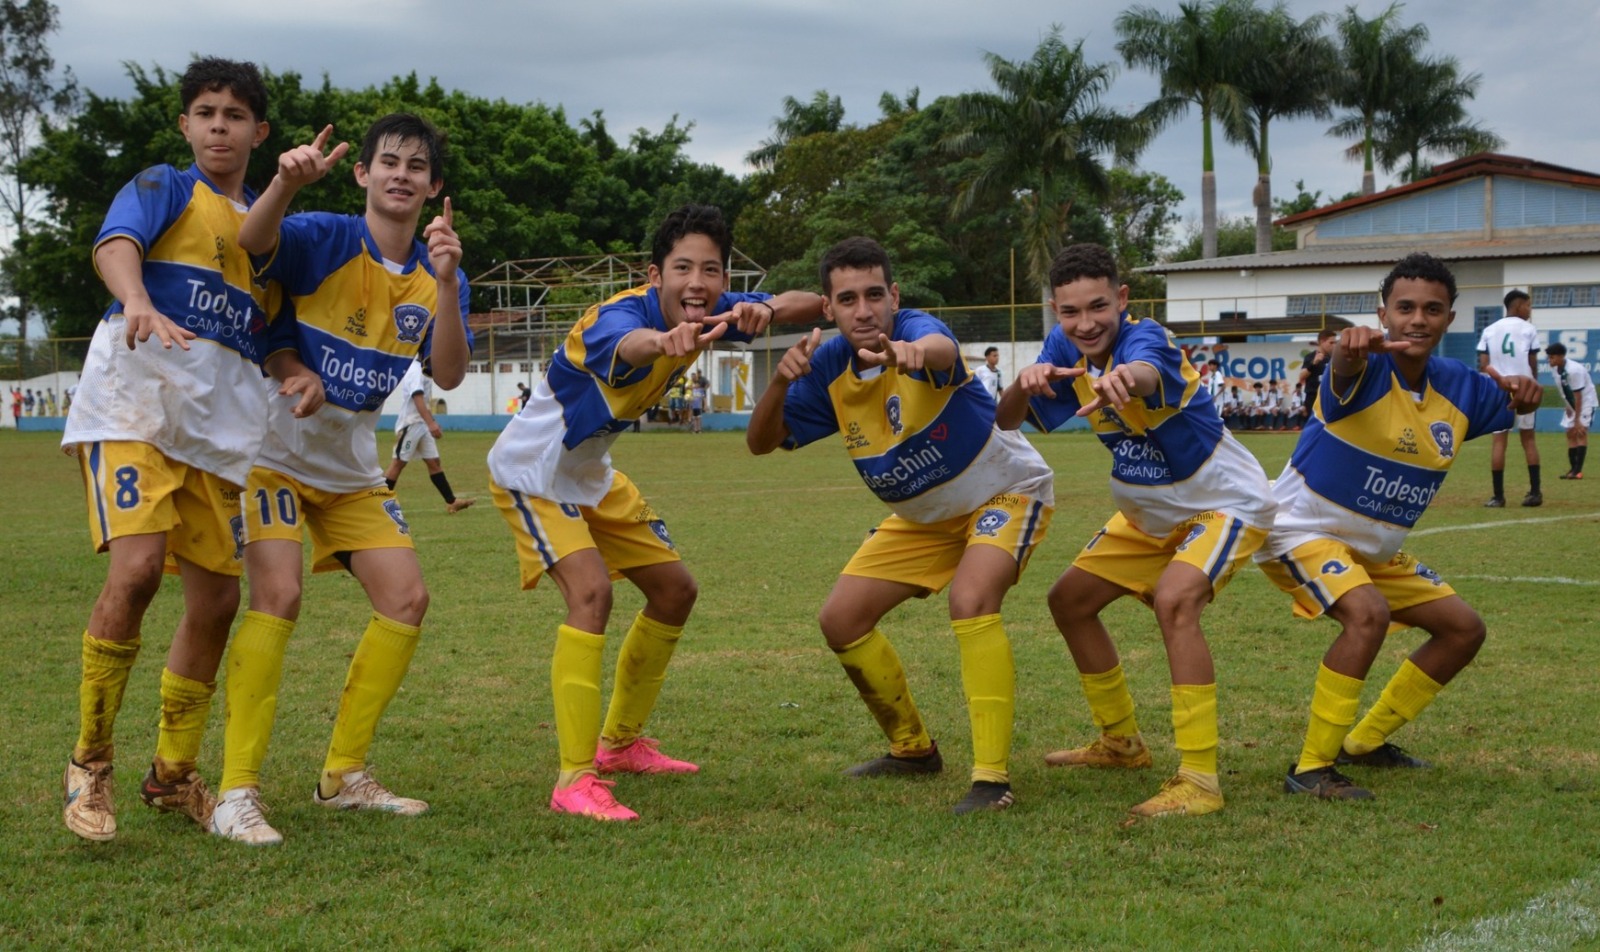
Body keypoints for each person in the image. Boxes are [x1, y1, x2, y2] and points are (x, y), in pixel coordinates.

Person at [487, 204, 822, 821]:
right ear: (654, 274)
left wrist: (767, 310)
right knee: (591, 596)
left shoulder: (713, 309)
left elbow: (813, 303)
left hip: (589, 473)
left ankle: (618, 746)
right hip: (533, 472)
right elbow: (627, 343)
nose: (698, 282)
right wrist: (662, 343)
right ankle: (573, 780)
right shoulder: (619, 317)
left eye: (713, 270)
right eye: (683, 268)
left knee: (675, 592)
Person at [57, 58, 303, 843]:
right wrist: (135, 298)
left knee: (217, 602)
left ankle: (171, 775)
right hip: (134, 411)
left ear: (259, 133)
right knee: (133, 573)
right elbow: (115, 243)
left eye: (235, 115)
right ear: (186, 125)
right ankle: (89, 762)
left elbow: (277, 336)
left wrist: (299, 375)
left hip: (216, 440)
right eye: (206, 112)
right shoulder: (166, 185)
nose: (219, 126)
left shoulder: (268, 236)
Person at [210, 113, 472, 845]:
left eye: (416, 167)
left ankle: (342, 776)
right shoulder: (325, 235)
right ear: (362, 173)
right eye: (387, 161)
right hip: (271, 454)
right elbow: (253, 242)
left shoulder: (438, 273)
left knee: (407, 597)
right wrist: (285, 184)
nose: (400, 175)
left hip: (352, 470)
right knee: (280, 593)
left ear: (433, 186)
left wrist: (449, 285)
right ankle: (235, 793)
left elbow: (448, 370)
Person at [750, 236, 1052, 815]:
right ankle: (912, 750)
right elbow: (762, 444)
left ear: (893, 295)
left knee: (970, 600)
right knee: (840, 619)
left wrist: (914, 354)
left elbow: (939, 348)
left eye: (873, 295)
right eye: (847, 300)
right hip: (922, 519)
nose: (863, 311)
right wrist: (781, 382)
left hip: (1004, 491)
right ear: (828, 308)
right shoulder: (827, 367)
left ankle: (991, 782)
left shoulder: (916, 329)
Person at [996, 243, 1273, 820]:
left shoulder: (1148, 340)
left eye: (1099, 307)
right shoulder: (1061, 348)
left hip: (1223, 503)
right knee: (1069, 601)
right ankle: (1121, 744)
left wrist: (1126, 378)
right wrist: (1024, 382)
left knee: (1175, 603)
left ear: (1122, 299)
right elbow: (1006, 421)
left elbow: (1146, 370)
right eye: (1070, 312)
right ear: (1055, 310)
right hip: (1147, 515)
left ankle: (1199, 780)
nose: (1086, 323)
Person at [1261, 253, 1541, 800]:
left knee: (1463, 628)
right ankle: (1311, 768)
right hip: (1298, 530)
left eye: (1432, 309)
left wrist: (1525, 392)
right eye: (1405, 307)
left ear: (1450, 318)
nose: (1418, 319)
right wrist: (1346, 349)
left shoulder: (1460, 385)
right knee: (1367, 614)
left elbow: (1514, 399)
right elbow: (1342, 366)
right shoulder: (1361, 367)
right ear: (1382, 312)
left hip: (1371, 551)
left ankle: (1362, 744)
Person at [383, 358, 475, 513]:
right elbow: (417, 397)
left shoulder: (423, 368)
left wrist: (428, 423)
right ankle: (379, 502)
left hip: (422, 425)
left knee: (434, 463)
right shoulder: (414, 369)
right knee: (398, 463)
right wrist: (431, 423)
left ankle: (452, 501)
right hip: (411, 424)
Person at [1478, 290, 1542, 507]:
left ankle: (1498, 496)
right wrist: (1534, 386)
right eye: (1528, 305)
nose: (1529, 310)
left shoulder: (1489, 330)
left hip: (1499, 389)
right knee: (1529, 439)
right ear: (1517, 306)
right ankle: (1535, 493)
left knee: (1498, 442)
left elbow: (1483, 364)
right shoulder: (1528, 329)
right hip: (1524, 386)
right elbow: (1532, 362)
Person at [1547, 342, 1594, 479]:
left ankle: (1577, 471)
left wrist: (1578, 420)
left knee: (1580, 432)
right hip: (1572, 402)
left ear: (1561, 356)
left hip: (1585, 402)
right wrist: (1567, 405)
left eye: (1552, 357)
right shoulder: (1555, 369)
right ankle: (1572, 469)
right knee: (1570, 433)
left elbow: (1579, 396)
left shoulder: (1574, 370)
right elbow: (1564, 390)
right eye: (1549, 358)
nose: (1550, 360)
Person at [1298, 328, 1336, 415]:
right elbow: (1302, 376)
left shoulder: (1333, 358)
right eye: (1331, 343)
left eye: (1335, 343)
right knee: (1313, 426)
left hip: (1328, 396)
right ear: (1322, 342)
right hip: (1313, 396)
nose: (1333, 345)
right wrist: (1314, 363)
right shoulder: (1310, 357)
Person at [689, 368, 707, 434]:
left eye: (698, 384)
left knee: (698, 418)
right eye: (696, 384)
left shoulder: (701, 390)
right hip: (694, 406)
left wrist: (705, 405)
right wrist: (690, 403)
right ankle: (695, 429)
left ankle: (699, 429)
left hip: (698, 406)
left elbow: (704, 398)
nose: (696, 385)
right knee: (694, 418)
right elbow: (691, 398)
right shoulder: (693, 391)